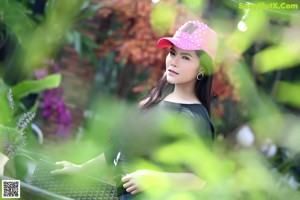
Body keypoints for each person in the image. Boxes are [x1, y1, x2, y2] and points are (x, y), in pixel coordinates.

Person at [51, 20, 218, 200]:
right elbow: (119, 150)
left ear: (202, 67)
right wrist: (81, 169)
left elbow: (199, 180)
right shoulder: (156, 100)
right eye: (172, 53)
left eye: (185, 57)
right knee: (20, 190)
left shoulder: (195, 118)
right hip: (118, 195)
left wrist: (154, 178)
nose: (174, 62)